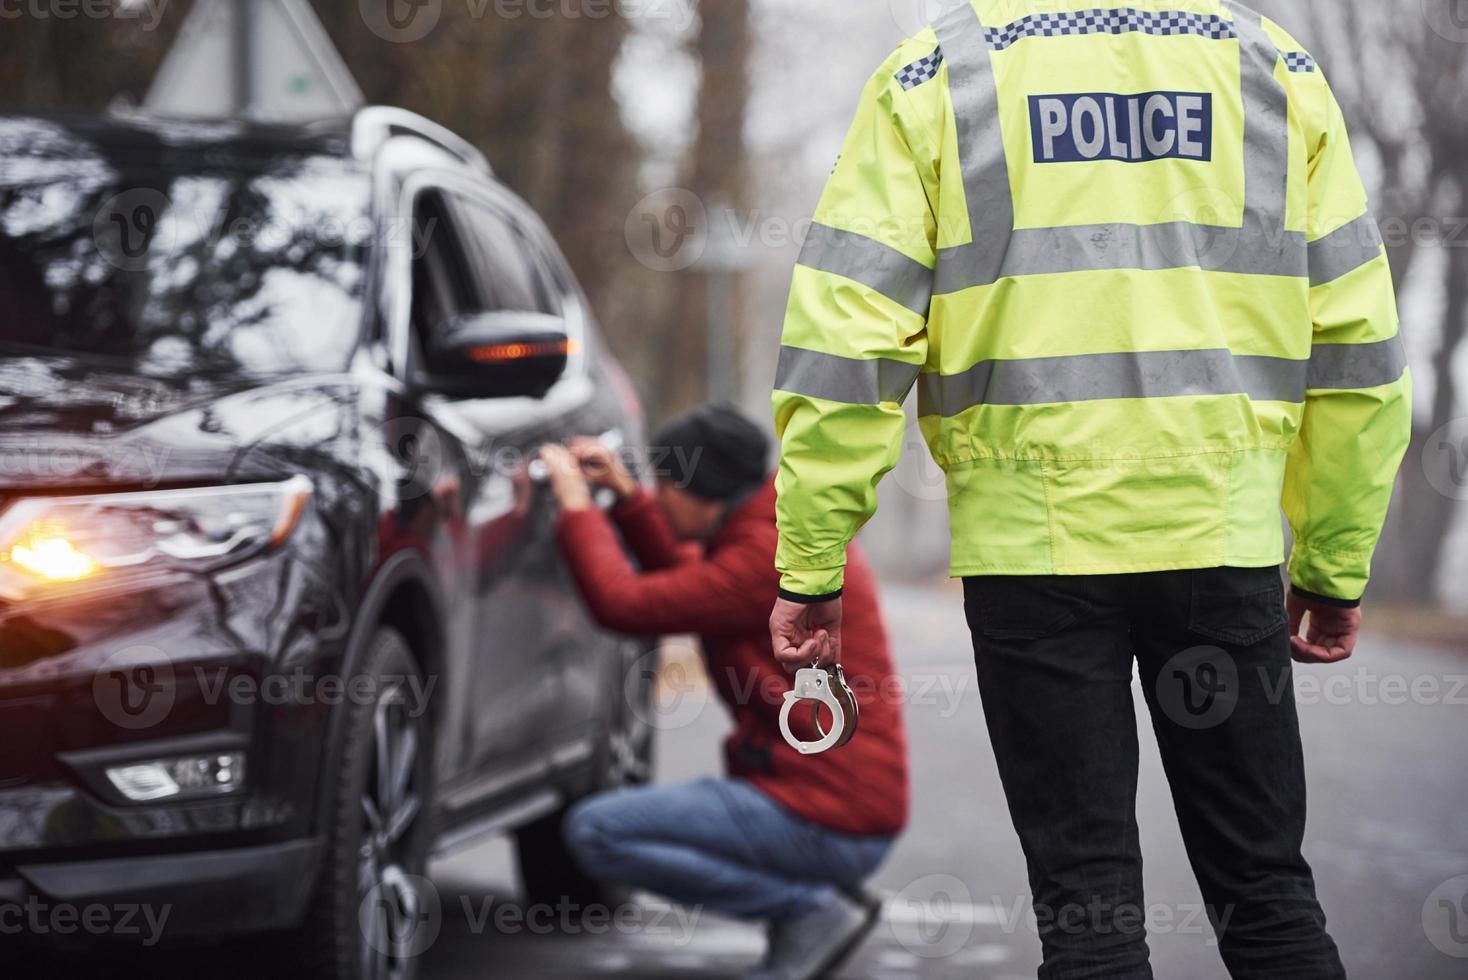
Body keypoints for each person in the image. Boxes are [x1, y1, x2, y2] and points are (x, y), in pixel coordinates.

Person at [766, 2, 1410, 978]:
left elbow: (848, 339)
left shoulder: (938, 71)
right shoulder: (1272, 65)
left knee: (1086, 909)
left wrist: (810, 559)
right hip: (1217, 540)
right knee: (1268, 894)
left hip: (1032, 553)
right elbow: (1355, 345)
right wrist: (1331, 558)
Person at [539, 404, 910, 980]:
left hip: (824, 814)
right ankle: (819, 898)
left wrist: (576, 507)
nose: (658, 499)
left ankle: (808, 910)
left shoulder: (769, 558)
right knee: (613, 826)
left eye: (664, 488)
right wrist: (629, 497)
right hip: (835, 804)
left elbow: (626, 603)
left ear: (705, 492)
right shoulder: (777, 534)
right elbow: (695, 580)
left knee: (598, 831)